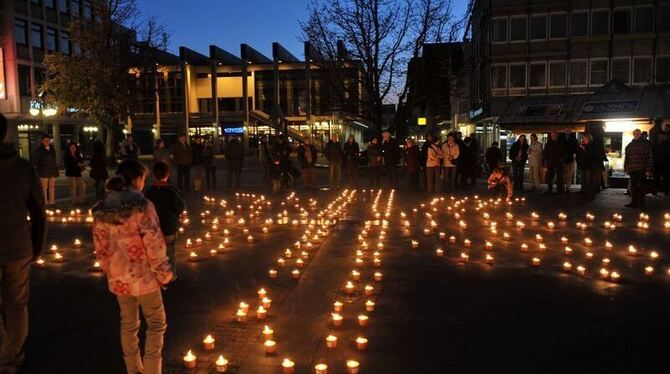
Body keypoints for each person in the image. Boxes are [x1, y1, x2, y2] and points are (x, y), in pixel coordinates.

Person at [92, 160, 173, 374]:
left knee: (128, 324)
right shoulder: (142, 206)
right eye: (143, 179)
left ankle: (133, 369)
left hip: (119, 279)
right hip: (144, 277)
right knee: (156, 323)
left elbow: (100, 248)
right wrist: (164, 275)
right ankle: (152, 370)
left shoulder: (103, 208)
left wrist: (110, 270)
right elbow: (154, 245)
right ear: (137, 179)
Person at [0, 114, 46, 374]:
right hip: (18, 247)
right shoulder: (23, 168)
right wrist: (37, 246)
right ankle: (13, 355)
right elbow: (39, 210)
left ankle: (3, 357)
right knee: (17, 305)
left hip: (17, 247)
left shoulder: (24, 167)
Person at [145, 161, 186, 276]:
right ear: (168, 175)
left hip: (152, 228)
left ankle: (156, 275)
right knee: (170, 253)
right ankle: (170, 275)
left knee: (154, 252)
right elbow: (181, 207)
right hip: (169, 227)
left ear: (153, 175)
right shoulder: (171, 190)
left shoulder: (148, 191)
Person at [624, 129, 653, 208]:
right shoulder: (629, 146)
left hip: (642, 169)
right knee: (633, 187)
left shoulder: (645, 145)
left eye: (638, 133)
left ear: (640, 134)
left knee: (641, 187)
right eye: (635, 133)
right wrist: (626, 168)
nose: (636, 135)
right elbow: (627, 158)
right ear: (633, 134)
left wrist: (648, 169)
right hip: (633, 169)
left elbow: (649, 157)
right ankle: (634, 202)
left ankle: (641, 203)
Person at [576, 134, 603, 201]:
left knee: (590, 182)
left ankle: (591, 195)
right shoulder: (583, 146)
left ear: (588, 139)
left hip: (590, 167)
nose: (583, 140)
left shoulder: (592, 147)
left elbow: (590, 156)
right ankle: (585, 194)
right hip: (583, 166)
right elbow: (579, 155)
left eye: (585, 139)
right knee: (584, 181)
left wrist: (584, 149)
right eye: (583, 139)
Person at [34, 134, 59, 207]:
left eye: (48, 140)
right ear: (42, 141)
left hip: (52, 171)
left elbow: (54, 160)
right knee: (44, 187)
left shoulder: (52, 149)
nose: (47, 142)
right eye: (45, 140)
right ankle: (45, 202)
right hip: (43, 171)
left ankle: (52, 202)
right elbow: (36, 161)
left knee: (52, 186)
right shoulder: (39, 150)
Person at [650, 120, 670, 195]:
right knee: (665, 176)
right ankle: (665, 191)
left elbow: (652, 145)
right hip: (665, 159)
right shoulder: (659, 133)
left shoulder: (655, 132)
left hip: (659, 159)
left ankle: (657, 190)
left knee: (658, 176)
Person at [63, 142, 86, 206]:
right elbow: (67, 165)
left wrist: (81, 164)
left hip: (78, 173)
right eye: (71, 147)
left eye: (74, 147)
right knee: (73, 188)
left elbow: (81, 161)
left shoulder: (78, 154)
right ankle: (74, 201)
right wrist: (77, 164)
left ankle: (81, 200)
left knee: (82, 185)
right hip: (71, 173)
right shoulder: (67, 155)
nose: (73, 149)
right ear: (69, 148)